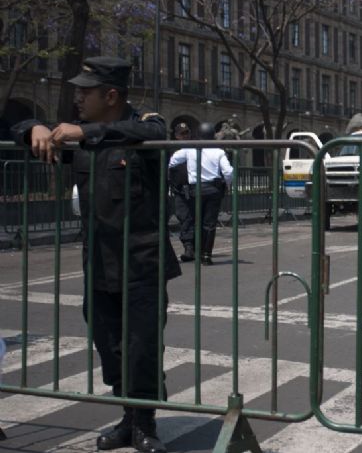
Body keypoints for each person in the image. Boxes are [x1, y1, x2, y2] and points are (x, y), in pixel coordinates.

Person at [12, 56, 180, 453]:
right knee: (109, 344)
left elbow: (154, 129)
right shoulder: (82, 144)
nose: (77, 100)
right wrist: (33, 127)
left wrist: (88, 131)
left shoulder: (144, 132)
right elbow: (23, 132)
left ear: (111, 95)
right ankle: (126, 416)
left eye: (85, 92)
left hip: (142, 263)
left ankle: (145, 422)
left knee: (142, 346)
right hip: (99, 263)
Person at [168, 122, 233, 265]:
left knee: (196, 221)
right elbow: (228, 172)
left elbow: (172, 162)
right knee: (209, 224)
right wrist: (227, 184)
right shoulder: (218, 151)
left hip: (195, 190)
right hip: (214, 190)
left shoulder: (190, 149)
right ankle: (206, 255)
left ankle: (195, 251)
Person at [168, 123, 194, 261]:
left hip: (196, 189)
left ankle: (199, 248)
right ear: (176, 135)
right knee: (184, 217)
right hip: (180, 190)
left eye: (187, 132)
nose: (185, 135)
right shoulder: (171, 149)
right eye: (182, 133)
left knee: (196, 218)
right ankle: (188, 247)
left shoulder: (195, 148)